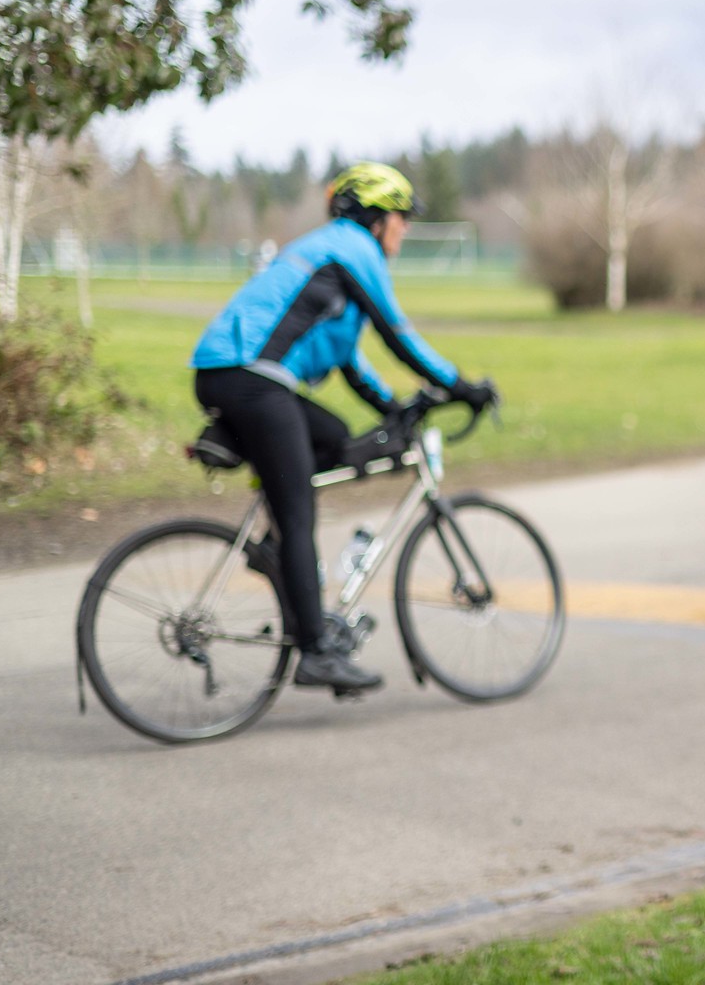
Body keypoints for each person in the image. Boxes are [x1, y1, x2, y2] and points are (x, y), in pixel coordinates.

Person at [190, 162, 496, 692]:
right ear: (375, 217)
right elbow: (398, 333)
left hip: (236, 377)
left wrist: (394, 408)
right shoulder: (352, 247)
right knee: (298, 512)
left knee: (332, 435)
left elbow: (350, 360)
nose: (404, 229)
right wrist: (461, 385)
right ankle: (314, 652)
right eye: (402, 218)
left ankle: (278, 557)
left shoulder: (333, 257)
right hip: (253, 381)